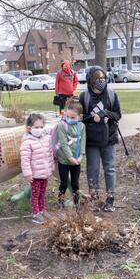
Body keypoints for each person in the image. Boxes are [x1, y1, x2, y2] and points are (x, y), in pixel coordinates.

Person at [80, 66, 122, 212]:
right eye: (98, 79)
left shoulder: (111, 95)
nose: (101, 82)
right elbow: (79, 117)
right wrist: (93, 118)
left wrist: (106, 116)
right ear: (91, 81)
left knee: (109, 169)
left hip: (109, 138)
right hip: (91, 141)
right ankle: (94, 198)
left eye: (103, 79)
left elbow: (117, 114)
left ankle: (110, 199)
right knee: (92, 169)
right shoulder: (84, 97)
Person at [20, 113, 55, 224]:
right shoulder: (27, 142)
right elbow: (25, 160)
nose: (39, 129)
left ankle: (42, 210)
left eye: (41, 127)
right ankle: (36, 214)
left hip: (44, 173)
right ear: (29, 128)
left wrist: (51, 167)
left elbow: (50, 154)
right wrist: (28, 174)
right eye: (36, 127)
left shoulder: (47, 139)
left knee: (43, 193)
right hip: (35, 175)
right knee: (35, 194)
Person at [56, 99, 86, 208]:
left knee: (75, 183)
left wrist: (81, 155)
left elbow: (82, 141)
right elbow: (64, 144)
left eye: (73, 117)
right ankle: (60, 200)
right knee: (64, 183)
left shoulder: (82, 126)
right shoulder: (61, 126)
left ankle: (76, 202)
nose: (69, 119)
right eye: (68, 116)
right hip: (64, 159)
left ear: (80, 117)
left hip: (76, 159)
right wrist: (69, 157)